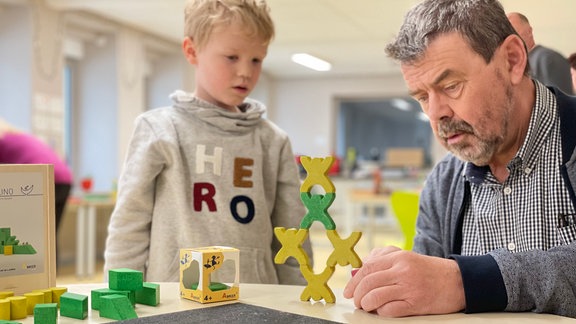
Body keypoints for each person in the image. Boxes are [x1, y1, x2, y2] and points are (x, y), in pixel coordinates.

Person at [344, 0, 576, 318]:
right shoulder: (442, 183)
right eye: (423, 97)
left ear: (512, 61)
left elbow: (451, 285)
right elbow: (427, 303)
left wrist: (465, 281)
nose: (436, 114)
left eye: (451, 86)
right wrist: (395, 284)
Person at [103, 0, 311, 285]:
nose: (245, 72)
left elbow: (292, 232)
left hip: (259, 299)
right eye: (231, 57)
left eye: (256, 60)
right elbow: (130, 225)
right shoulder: (158, 129)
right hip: (175, 300)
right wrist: (120, 297)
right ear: (192, 51)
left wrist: (299, 298)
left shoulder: (273, 141)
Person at [0, 118, 73, 233]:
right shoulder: (20, 136)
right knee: (49, 234)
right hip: (64, 178)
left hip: (42, 178)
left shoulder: (2, 141)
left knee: (32, 234)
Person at [507, 12, 574, 95]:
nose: (512, 39)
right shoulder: (516, 65)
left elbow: (561, 102)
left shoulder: (549, 59)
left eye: (515, 32)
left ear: (529, 31)